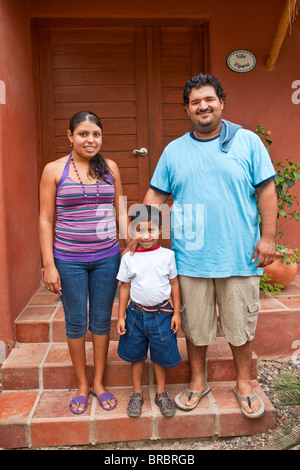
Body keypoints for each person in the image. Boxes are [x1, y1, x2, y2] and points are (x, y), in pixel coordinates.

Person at [141, 74, 278, 418]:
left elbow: (266, 190)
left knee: (239, 325)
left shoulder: (247, 142)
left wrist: (268, 237)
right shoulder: (174, 151)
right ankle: (198, 381)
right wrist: (139, 232)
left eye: (209, 99)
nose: (203, 106)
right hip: (192, 258)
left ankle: (243, 383)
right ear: (187, 109)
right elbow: (156, 194)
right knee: (196, 326)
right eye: (195, 102)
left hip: (239, 255)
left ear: (221, 103)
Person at [39, 111, 128, 414]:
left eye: (96, 134)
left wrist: (127, 244)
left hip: (107, 258)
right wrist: (49, 265)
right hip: (68, 260)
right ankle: (81, 384)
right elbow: (45, 219)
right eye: (83, 134)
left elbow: (120, 211)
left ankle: (99, 382)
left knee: (101, 321)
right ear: (70, 136)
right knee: (76, 322)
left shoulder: (110, 168)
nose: (90, 140)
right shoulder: (53, 170)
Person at [116, 205, 181, 417]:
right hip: (135, 315)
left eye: (151, 230)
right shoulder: (129, 258)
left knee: (161, 356)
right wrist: (121, 316)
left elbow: (174, 284)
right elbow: (124, 287)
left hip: (162, 315)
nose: (146, 236)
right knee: (136, 355)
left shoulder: (167, 255)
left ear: (160, 231)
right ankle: (137, 392)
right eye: (140, 230)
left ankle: (161, 393)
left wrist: (177, 313)